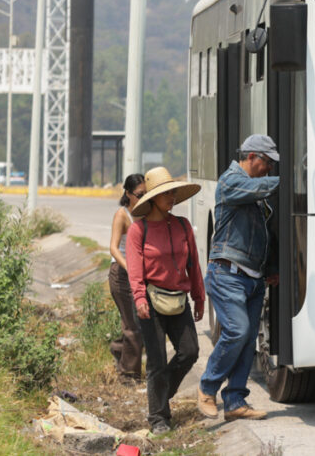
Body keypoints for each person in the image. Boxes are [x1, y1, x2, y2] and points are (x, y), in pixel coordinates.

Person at [198, 134, 280, 422]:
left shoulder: (252, 189)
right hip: (227, 272)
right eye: (267, 163)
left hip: (253, 277)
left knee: (247, 342)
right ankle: (207, 388)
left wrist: (269, 269)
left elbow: (262, 233)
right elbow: (260, 187)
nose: (269, 169)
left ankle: (234, 402)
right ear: (253, 156)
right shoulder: (232, 180)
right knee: (237, 331)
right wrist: (293, 177)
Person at [127, 167, 206, 435]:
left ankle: (160, 392)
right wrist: (139, 297)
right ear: (153, 198)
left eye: (173, 193)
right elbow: (135, 269)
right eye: (166, 194)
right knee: (157, 362)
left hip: (179, 300)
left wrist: (199, 296)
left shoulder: (183, 225)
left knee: (190, 351)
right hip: (150, 302)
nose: (171, 197)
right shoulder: (139, 230)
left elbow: (193, 264)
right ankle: (158, 418)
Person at [108, 173, 146, 382]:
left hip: (140, 274)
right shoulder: (122, 215)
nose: (143, 199)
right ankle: (128, 374)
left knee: (141, 322)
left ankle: (118, 349)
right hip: (122, 275)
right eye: (139, 195)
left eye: (146, 194)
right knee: (133, 325)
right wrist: (130, 268)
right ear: (128, 194)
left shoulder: (147, 212)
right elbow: (114, 248)